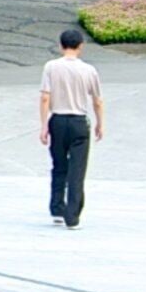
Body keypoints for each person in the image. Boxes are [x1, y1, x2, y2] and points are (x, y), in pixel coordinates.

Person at [37, 26, 105, 228]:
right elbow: (97, 100)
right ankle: (72, 215)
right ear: (81, 46)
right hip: (78, 121)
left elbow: (44, 97)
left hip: (57, 119)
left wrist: (43, 125)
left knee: (59, 166)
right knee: (77, 170)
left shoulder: (50, 67)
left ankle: (57, 207)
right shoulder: (89, 70)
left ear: (60, 45)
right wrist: (100, 123)